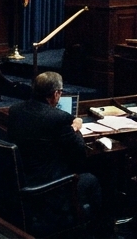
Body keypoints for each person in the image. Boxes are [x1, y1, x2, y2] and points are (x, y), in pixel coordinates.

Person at [6, 73, 101, 227]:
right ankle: (94, 230)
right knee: (91, 178)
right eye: (61, 92)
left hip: (20, 179)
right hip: (48, 188)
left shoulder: (15, 110)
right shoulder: (60, 118)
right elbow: (80, 152)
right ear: (56, 93)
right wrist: (75, 127)